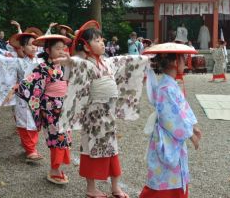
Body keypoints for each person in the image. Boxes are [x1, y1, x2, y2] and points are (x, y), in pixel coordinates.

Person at [55, 20, 148, 197]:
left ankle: (115, 187)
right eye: (97, 41)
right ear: (87, 47)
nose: (102, 43)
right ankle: (91, 189)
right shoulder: (87, 64)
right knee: (91, 149)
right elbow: (78, 64)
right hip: (93, 116)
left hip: (108, 114)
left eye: (102, 40)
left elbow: (126, 60)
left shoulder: (108, 62)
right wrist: (69, 61)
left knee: (112, 149)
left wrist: (145, 58)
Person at [140, 43, 202, 198]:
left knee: (173, 176)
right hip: (168, 139)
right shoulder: (166, 88)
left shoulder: (170, 85)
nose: (185, 62)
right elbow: (172, 119)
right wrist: (190, 134)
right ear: (175, 62)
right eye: (183, 59)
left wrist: (193, 127)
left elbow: (182, 110)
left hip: (173, 139)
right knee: (165, 178)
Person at [0, 31, 44, 162]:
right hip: (22, 97)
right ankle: (30, 150)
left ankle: (31, 147)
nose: (33, 47)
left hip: (37, 97)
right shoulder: (18, 61)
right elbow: (0, 59)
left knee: (35, 122)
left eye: (35, 45)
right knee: (23, 122)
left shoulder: (41, 60)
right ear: (22, 48)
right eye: (30, 45)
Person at [16, 34, 72, 184]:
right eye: (58, 48)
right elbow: (26, 84)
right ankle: (54, 170)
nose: (61, 51)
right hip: (51, 108)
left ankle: (57, 168)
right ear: (48, 50)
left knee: (64, 137)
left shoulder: (64, 66)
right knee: (57, 138)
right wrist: (40, 104)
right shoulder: (42, 67)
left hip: (63, 105)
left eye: (63, 48)